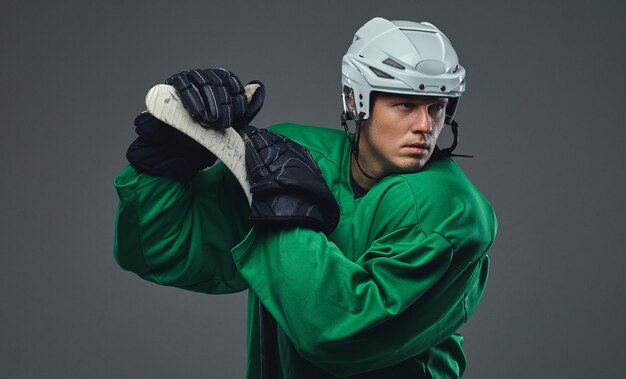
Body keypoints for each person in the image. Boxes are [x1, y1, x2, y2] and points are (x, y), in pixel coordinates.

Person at [114, 17, 497, 378]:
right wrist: (166, 164)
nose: (425, 126)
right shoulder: (293, 158)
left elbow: (338, 334)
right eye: (405, 105)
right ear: (356, 101)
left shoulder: (450, 211)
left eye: (437, 108)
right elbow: (163, 250)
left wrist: (283, 213)